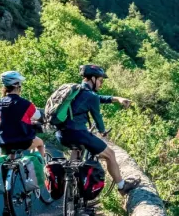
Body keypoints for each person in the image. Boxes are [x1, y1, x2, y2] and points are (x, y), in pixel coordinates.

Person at [56, 64, 139, 195]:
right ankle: (122, 186)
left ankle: (70, 186)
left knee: (76, 149)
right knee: (110, 154)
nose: (101, 84)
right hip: (78, 133)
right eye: (100, 80)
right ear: (93, 79)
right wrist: (103, 132)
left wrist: (116, 99)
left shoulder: (75, 91)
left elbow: (97, 98)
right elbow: (97, 117)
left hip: (61, 134)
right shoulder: (90, 95)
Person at [0, 71, 45, 216]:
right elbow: (37, 116)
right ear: (17, 85)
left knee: (6, 166)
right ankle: (38, 170)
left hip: (4, 141)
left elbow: (0, 116)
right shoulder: (25, 104)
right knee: (41, 144)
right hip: (24, 141)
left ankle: (6, 206)